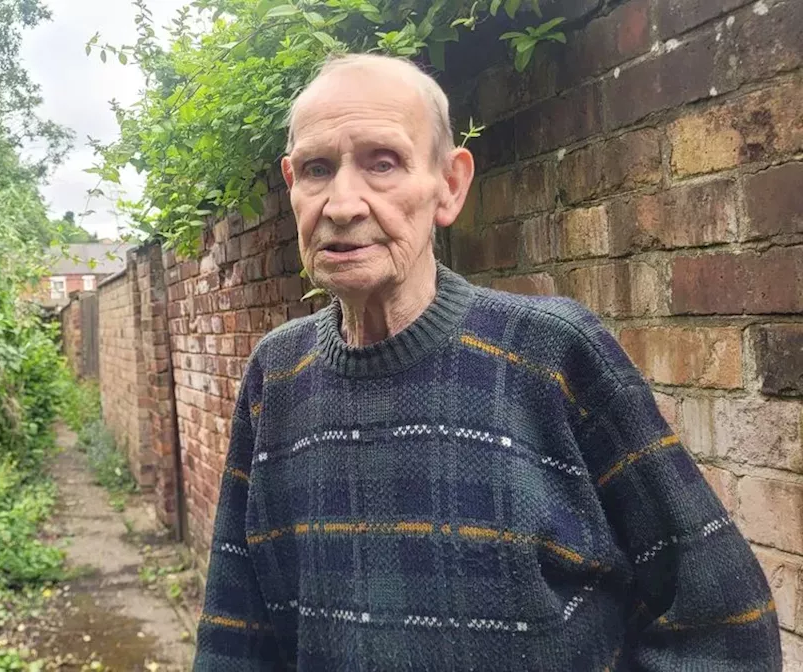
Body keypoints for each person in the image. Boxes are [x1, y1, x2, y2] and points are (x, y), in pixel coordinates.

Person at [192, 53, 781, 671]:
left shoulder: (552, 353)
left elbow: (723, 620)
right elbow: (237, 631)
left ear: (449, 185)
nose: (342, 204)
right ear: (292, 186)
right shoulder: (275, 375)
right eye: (317, 169)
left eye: (383, 163)